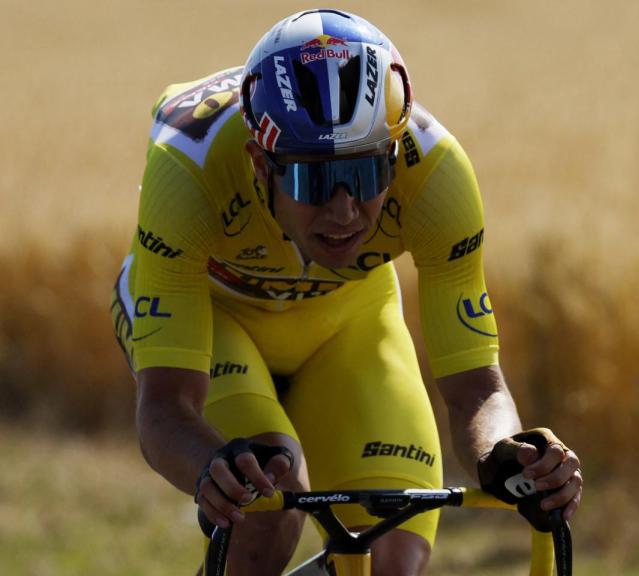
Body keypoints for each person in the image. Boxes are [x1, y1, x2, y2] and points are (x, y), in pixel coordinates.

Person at [110, 8, 582, 576]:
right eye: (314, 179)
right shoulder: (186, 172)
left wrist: (509, 455)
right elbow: (165, 408)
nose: (343, 211)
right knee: (268, 507)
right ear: (259, 164)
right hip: (216, 313)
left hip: (347, 316)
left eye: (363, 177)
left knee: (392, 555)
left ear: (392, 154)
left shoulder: (436, 178)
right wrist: (212, 468)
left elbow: (476, 388)